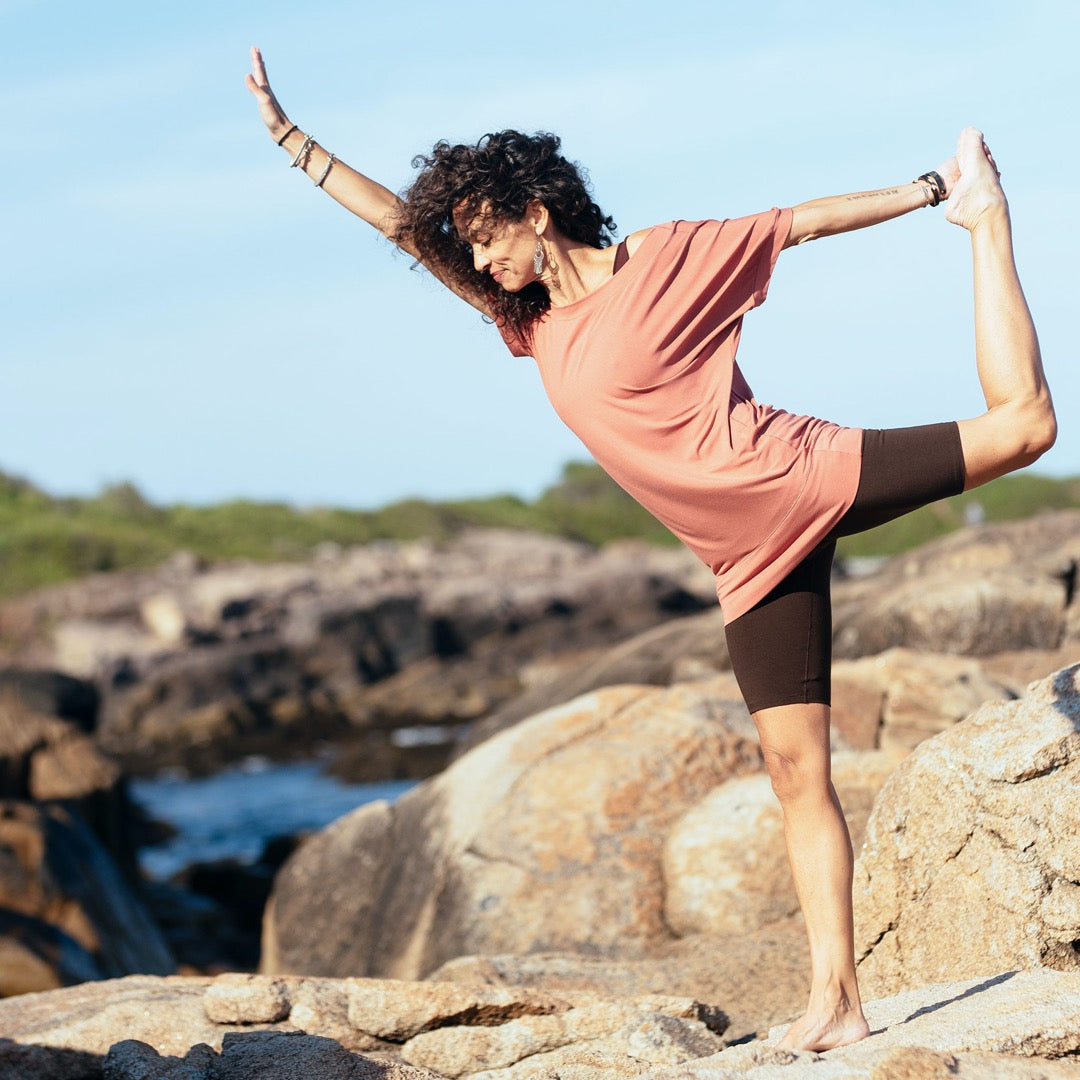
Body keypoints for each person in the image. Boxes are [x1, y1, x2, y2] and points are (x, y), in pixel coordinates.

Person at [245, 46, 1056, 1052]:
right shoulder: (529, 322)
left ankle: (988, 223)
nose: (480, 261)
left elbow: (797, 223)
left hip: (798, 476)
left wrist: (935, 189)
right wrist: (293, 141)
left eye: (487, 238)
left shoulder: (664, 259)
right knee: (793, 768)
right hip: (747, 563)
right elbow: (402, 230)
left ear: (535, 213)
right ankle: (837, 1002)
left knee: (1025, 429)